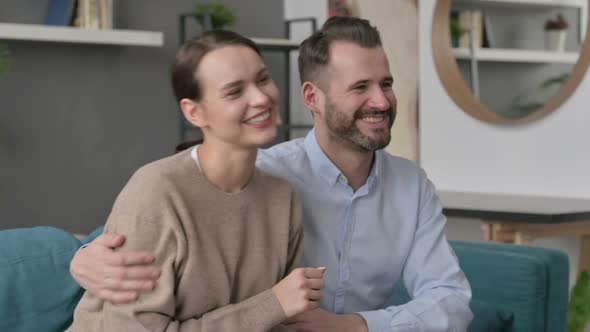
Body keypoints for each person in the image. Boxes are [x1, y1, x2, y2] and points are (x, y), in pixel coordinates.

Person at [71, 17, 473, 331]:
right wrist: (82, 258)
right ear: (312, 97)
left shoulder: (405, 187)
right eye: (361, 87)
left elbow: (451, 298)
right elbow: (142, 228)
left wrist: (357, 326)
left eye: (386, 84)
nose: (381, 100)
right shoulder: (261, 172)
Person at [70, 30, 326, 332]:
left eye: (262, 79)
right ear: (194, 112)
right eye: (234, 92)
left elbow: (280, 321)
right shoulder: (158, 191)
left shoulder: (283, 196)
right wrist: (270, 305)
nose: (261, 98)